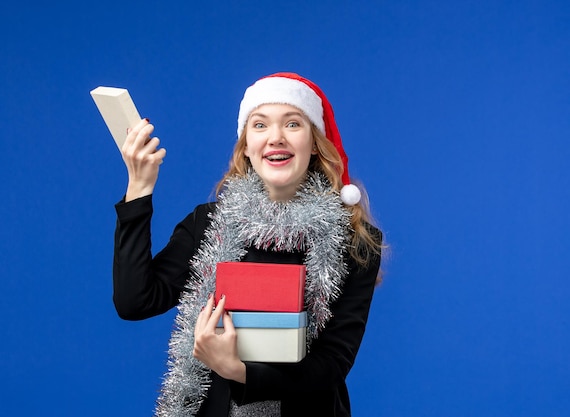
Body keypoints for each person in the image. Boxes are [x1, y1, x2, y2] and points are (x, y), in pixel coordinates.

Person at [112, 72, 383, 417]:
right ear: (246, 146)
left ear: (314, 143)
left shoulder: (355, 243)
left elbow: (330, 366)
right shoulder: (209, 224)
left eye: (293, 124)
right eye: (260, 125)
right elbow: (135, 301)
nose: (275, 138)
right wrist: (139, 187)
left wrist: (236, 370)